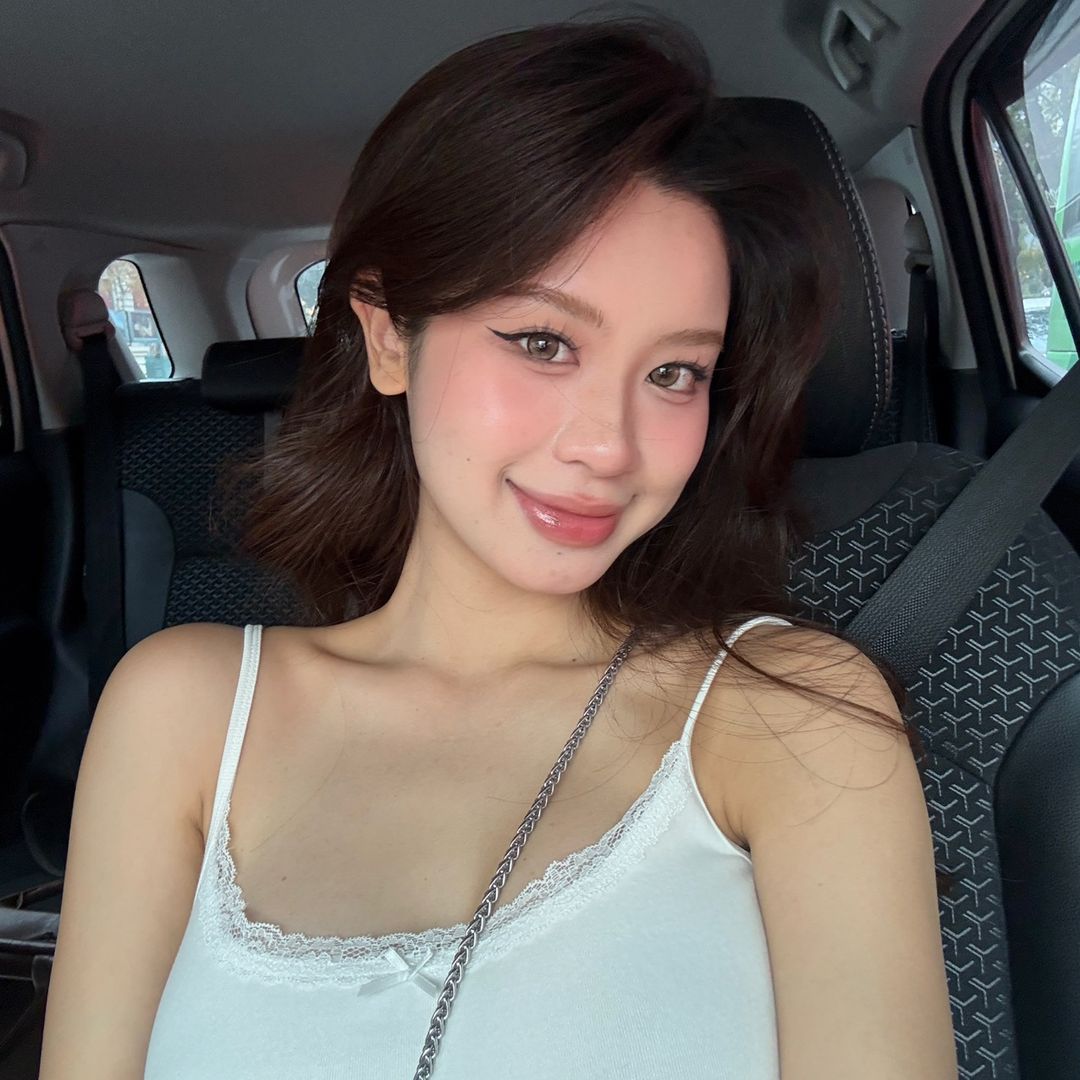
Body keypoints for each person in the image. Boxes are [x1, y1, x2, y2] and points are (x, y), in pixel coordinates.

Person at [39, 12, 958, 1080]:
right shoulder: (181, 711)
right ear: (390, 336)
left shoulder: (790, 718)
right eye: (543, 342)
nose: (609, 446)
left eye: (675, 373)